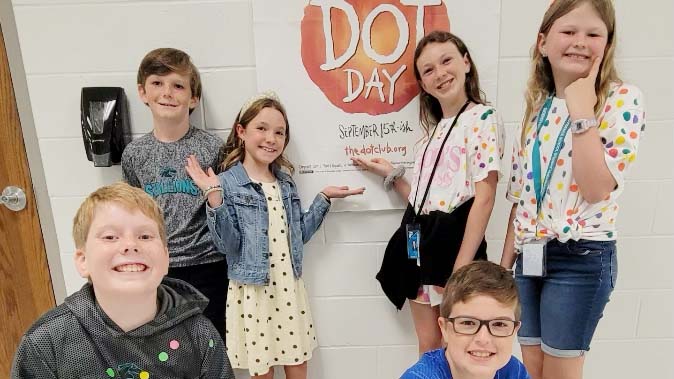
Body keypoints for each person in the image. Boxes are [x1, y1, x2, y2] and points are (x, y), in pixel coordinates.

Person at [499, 1, 645, 378]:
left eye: (593, 34)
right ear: (543, 43)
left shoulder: (620, 100)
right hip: (529, 256)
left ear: (607, 44)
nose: (581, 42)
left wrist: (582, 112)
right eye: (569, 32)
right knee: (530, 367)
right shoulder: (538, 108)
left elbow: (596, 187)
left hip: (580, 256)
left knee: (561, 372)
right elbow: (522, 200)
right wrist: (503, 269)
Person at [185, 91, 364, 379]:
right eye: (262, 128)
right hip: (253, 292)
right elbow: (227, 245)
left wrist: (322, 199)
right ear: (241, 132)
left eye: (279, 132)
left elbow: (299, 235)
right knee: (263, 371)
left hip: (289, 289)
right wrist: (214, 197)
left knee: (298, 366)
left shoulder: (285, 183)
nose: (271, 138)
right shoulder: (227, 183)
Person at [352, 31, 504, 354]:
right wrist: (390, 174)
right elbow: (425, 200)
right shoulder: (429, 136)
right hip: (420, 248)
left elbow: (485, 197)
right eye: (428, 70)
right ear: (422, 83)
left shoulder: (482, 119)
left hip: (454, 249)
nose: (440, 73)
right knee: (429, 343)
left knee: (462, 344)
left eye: (446, 60)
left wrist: (461, 268)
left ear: (466, 62)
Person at [11, 182, 234, 378]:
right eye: (110, 237)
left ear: (166, 258)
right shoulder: (46, 343)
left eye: (145, 236)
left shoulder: (199, 334)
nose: (130, 244)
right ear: (83, 260)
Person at [121, 48, 228, 339]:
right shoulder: (134, 155)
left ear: (193, 98)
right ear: (143, 92)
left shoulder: (212, 148)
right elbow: (134, 214)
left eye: (178, 85)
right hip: (158, 268)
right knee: (167, 350)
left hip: (209, 267)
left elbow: (226, 210)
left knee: (212, 346)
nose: (167, 92)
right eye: (157, 83)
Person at [401, 261, 529, 379]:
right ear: (444, 328)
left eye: (499, 324)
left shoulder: (514, 371)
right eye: (468, 323)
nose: (483, 339)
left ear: (514, 331)